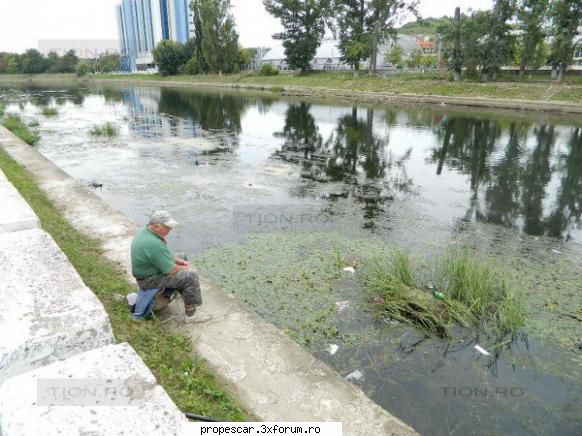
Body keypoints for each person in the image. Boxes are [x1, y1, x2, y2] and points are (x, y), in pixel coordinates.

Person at [131, 210, 211, 323]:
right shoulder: (153, 244)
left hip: (150, 269)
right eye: (167, 227)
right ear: (156, 226)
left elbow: (165, 254)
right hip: (149, 279)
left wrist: (179, 261)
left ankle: (180, 290)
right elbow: (170, 270)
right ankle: (191, 315)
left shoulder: (147, 231)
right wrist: (185, 268)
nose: (170, 229)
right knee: (191, 276)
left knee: (182, 257)